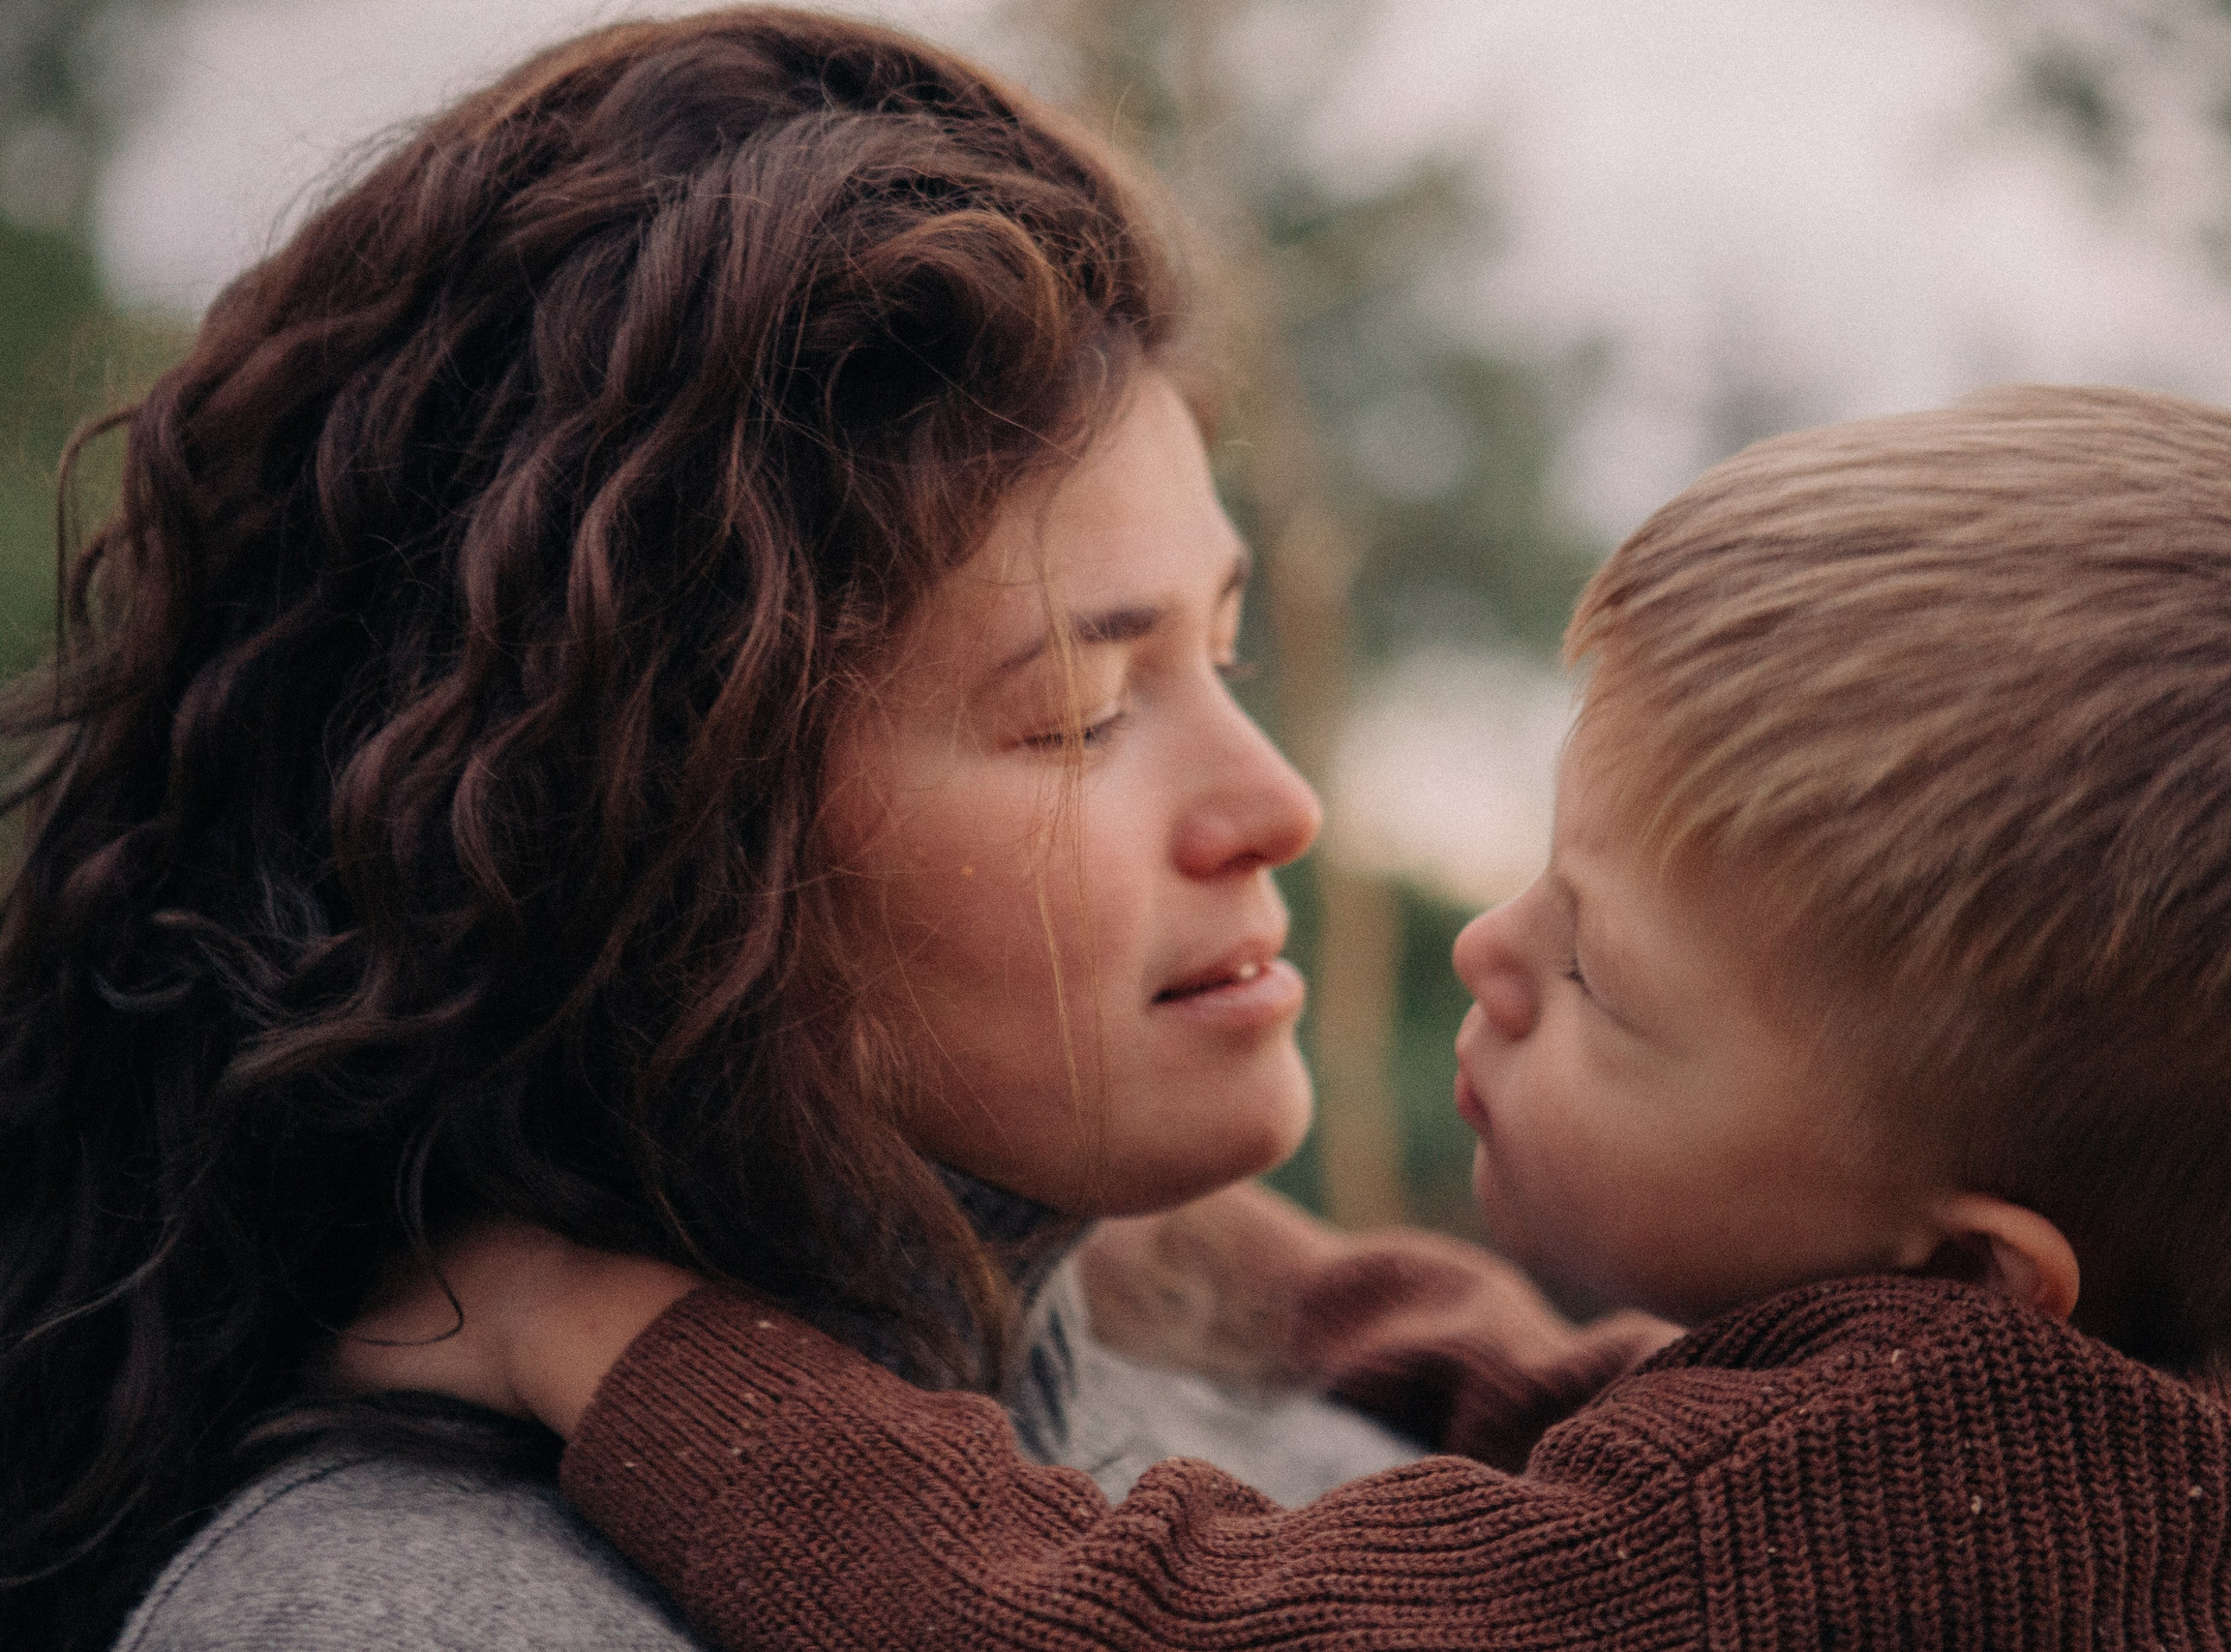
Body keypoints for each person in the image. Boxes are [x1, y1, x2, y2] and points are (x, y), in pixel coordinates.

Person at [0, 13, 1651, 1650]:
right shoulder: (421, 1620)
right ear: (672, 851)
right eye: (1079, 713)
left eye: (1224, 654)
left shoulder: (1379, 1504)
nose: (1277, 805)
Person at [350, 386, 2231, 1648]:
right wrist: (1215, 1255)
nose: (1484, 944)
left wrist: (611, 1337)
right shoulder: (2129, 1395)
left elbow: (1125, 1630)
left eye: (1599, 976)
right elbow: (1576, 1423)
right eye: (1545, 865)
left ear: (1957, 1271)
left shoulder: (1870, 1516)